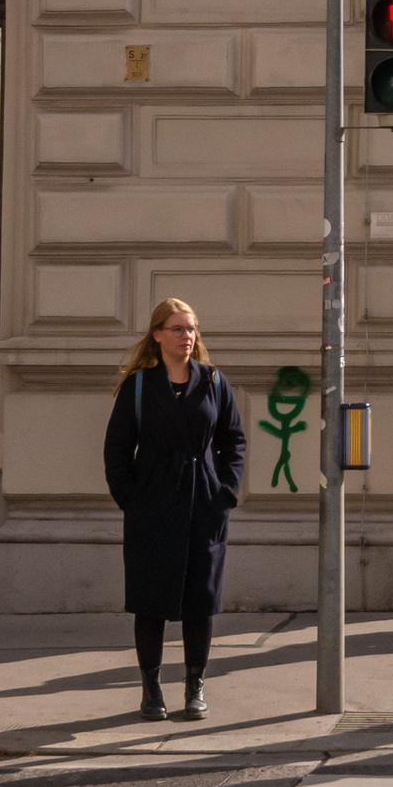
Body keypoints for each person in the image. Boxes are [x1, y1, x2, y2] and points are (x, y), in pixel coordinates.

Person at [103, 298, 247, 723]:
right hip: (153, 504)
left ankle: (195, 685)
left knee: (200, 599)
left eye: (193, 329)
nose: (188, 336)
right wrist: (130, 497)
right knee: (149, 600)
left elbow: (233, 441)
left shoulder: (214, 382)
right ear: (158, 335)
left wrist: (227, 490)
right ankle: (150, 689)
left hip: (204, 503)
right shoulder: (140, 386)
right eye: (179, 329)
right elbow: (116, 448)